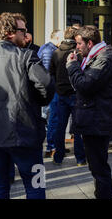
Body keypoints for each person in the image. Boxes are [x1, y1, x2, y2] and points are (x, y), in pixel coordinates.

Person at [0, 12, 55, 199]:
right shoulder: (26, 56)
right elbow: (46, 86)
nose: (26, 34)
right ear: (10, 33)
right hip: (24, 133)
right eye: (23, 30)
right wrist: (34, 102)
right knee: (35, 186)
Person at [66, 25, 112, 199]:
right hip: (94, 118)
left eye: (79, 43)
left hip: (97, 120)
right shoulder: (96, 56)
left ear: (90, 43)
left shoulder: (103, 59)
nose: (77, 47)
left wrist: (72, 66)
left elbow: (85, 85)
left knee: (99, 166)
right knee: (96, 165)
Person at [49, 26, 86, 166]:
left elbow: (51, 73)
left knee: (60, 126)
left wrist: (57, 87)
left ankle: (58, 156)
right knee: (78, 127)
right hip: (76, 93)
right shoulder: (77, 52)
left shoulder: (56, 52)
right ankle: (80, 158)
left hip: (60, 94)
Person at [39, 30, 63, 158]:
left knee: (51, 119)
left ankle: (53, 146)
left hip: (51, 90)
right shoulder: (49, 50)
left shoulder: (48, 48)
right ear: (58, 38)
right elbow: (48, 74)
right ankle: (51, 147)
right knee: (52, 119)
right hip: (51, 90)